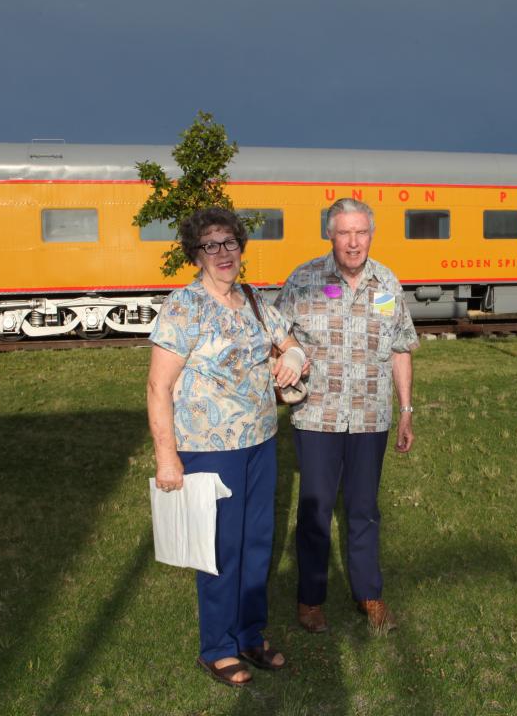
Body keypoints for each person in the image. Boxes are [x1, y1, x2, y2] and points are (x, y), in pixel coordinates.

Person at [146, 207, 307, 687]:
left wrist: (294, 356)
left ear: (240, 247)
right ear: (196, 253)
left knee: (258, 543)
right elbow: (158, 388)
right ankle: (217, 647)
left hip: (261, 441)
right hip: (209, 448)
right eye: (210, 245)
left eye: (229, 243)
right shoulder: (184, 306)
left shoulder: (255, 300)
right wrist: (166, 457)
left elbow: (290, 341)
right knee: (220, 549)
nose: (222, 253)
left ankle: (250, 634)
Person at [275, 197, 419, 633]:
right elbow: (277, 339)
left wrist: (407, 410)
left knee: (364, 510)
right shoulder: (303, 280)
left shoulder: (388, 283)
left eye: (361, 233)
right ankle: (311, 600)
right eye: (344, 233)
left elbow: (400, 350)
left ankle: (369, 595)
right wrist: (285, 368)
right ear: (330, 235)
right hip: (317, 419)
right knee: (315, 511)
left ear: (370, 235)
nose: (353, 242)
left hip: (370, 419)